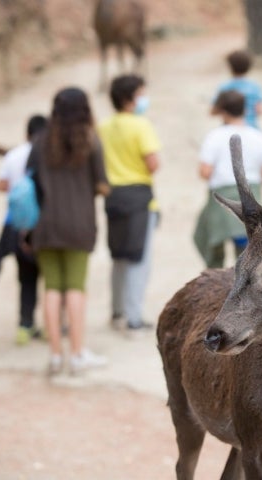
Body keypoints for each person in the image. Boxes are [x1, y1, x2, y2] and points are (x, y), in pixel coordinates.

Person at [26, 87, 109, 375]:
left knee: (51, 289)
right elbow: (102, 185)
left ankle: (54, 356)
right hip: (79, 225)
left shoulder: (40, 141)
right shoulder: (90, 142)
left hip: (45, 225)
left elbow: (29, 180)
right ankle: (76, 355)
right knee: (75, 288)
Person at [98, 74, 162, 336]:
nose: (144, 99)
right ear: (129, 99)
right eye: (141, 94)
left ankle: (117, 311)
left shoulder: (103, 127)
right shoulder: (140, 125)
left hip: (113, 195)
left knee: (119, 256)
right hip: (138, 196)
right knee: (139, 258)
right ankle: (134, 318)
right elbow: (153, 163)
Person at [193, 89, 262, 267]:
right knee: (247, 252)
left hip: (220, 201)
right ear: (245, 109)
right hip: (251, 198)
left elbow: (205, 172)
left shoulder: (214, 137)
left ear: (223, 111)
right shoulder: (259, 137)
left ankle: (215, 280)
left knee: (212, 248)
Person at [0, 114, 47, 345]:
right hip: (42, 228)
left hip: (15, 225)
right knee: (51, 278)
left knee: (26, 279)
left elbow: (2, 185)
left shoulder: (13, 155)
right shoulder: (48, 155)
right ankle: (55, 327)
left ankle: (25, 326)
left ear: (27, 133)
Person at [213, 49, 262, 129]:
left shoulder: (224, 87)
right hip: (251, 128)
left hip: (228, 127)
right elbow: (260, 111)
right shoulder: (254, 87)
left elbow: (214, 110)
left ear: (230, 66)